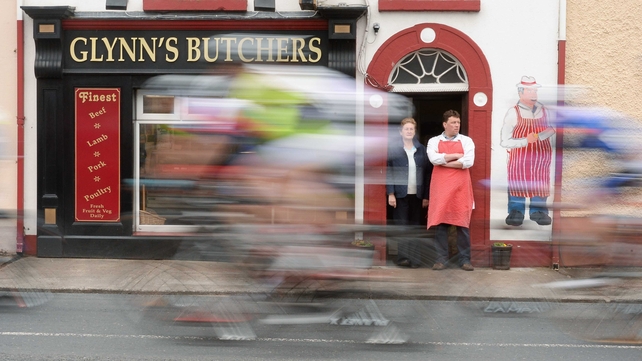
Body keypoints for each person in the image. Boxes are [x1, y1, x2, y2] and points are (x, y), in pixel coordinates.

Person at [500, 76, 555, 226]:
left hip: (541, 158)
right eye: (530, 90)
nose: (534, 94)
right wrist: (525, 141)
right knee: (518, 183)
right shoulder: (513, 112)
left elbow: (551, 128)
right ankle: (516, 211)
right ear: (521, 93)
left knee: (539, 183)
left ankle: (538, 211)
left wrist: (542, 135)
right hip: (519, 159)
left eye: (535, 90)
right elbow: (504, 141)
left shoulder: (545, 111)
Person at [427, 110, 475, 271]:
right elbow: (433, 159)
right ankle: (441, 259)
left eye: (458, 122)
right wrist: (455, 155)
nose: (456, 125)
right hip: (441, 187)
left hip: (461, 188)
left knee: (462, 224)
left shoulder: (467, 141)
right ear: (445, 124)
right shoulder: (434, 141)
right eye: (453, 122)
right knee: (441, 224)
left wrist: (443, 161)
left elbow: (468, 162)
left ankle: (465, 260)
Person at [386, 117, 432, 268]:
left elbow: (427, 174)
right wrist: (391, 193)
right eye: (406, 129)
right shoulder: (394, 149)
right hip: (400, 196)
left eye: (411, 129)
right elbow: (389, 172)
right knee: (402, 228)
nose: (409, 131)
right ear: (401, 131)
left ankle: (415, 259)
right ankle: (403, 258)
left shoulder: (421, 150)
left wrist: (426, 196)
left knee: (415, 228)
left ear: (415, 131)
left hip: (417, 196)